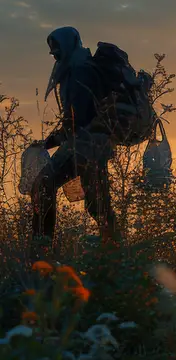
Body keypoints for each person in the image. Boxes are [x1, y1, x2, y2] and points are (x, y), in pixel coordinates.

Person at [30, 27, 118, 253]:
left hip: (88, 146)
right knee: (97, 203)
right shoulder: (76, 68)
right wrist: (50, 142)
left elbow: (76, 119)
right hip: (87, 144)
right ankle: (115, 255)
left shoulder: (80, 71)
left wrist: (50, 141)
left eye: (57, 50)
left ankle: (42, 251)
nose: (55, 56)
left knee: (47, 186)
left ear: (68, 46)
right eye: (53, 52)